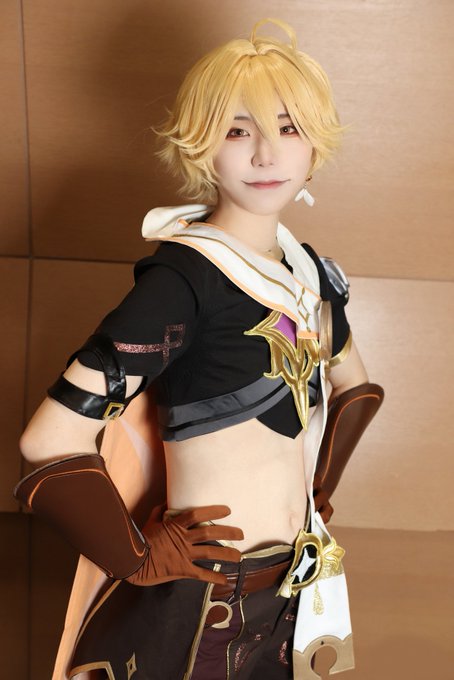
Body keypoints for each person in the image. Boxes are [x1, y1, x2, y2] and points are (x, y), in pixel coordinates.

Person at [16, 17, 384, 680]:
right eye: (238, 131)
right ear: (200, 145)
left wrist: (316, 489)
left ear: (314, 143)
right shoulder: (183, 280)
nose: (266, 155)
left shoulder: (310, 274)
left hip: (296, 583)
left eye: (288, 128)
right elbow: (48, 438)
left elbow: (355, 389)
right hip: (206, 595)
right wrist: (134, 556)